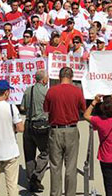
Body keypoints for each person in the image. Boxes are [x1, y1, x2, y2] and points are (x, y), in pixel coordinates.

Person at [43, 66, 86, 196]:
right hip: (71, 129)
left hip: (55, 130)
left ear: (59, 77)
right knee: (71, 167)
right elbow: (83, 109)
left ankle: (55, 194)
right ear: (71, 77)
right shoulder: (77, 91)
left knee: (55, 167)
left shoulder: (51, 91)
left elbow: (46, 110)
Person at [20, 69, 50, 193]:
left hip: (28, 125)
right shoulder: (47, 92)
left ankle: (31, 181)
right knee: (46, 152)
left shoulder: (28, 90)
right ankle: (36, 176)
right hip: (42, 125)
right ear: (43, 80)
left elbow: (22, 107)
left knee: (29, 155)